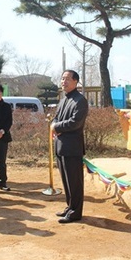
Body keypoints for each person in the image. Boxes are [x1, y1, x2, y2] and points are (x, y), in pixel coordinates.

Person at [51, 70, 89, 224]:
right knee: (66, 181)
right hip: (61, 146)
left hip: (72, 148)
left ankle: (75, 212)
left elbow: (76, 122)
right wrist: (55, 126)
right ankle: (69, 206)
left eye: (67, 79)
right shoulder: (63, 99)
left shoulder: (80, 101)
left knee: (74, 182)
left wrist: (57, 127)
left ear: (75, 81)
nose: (63, 82)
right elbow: (56, 118)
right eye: (62, 79)